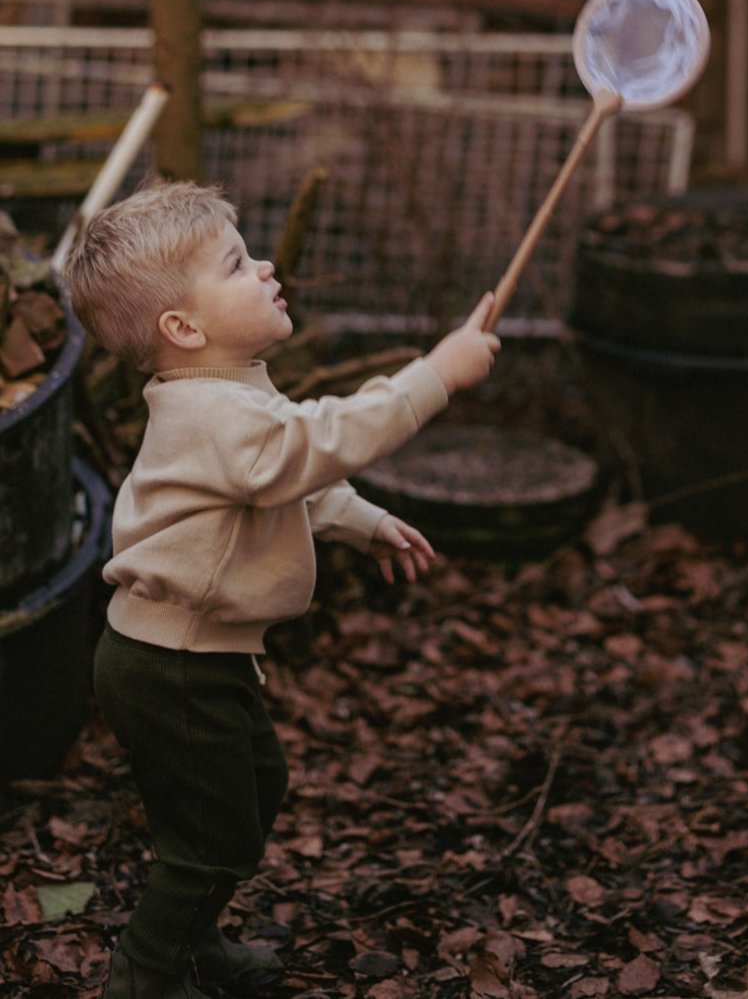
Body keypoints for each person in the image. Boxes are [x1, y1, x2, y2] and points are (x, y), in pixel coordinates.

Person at [65, 180, 500, 999]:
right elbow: (319, 440)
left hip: (186, 655)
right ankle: (145, 974)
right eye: (236, 262)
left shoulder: (230, 395)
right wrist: (433, 376)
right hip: (170, 664)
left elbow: (282, 477)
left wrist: (359, 519)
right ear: (183, 328)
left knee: (253, 793)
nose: (265, 266)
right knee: (215, 836)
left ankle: (196, 940)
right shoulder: (213, 414)